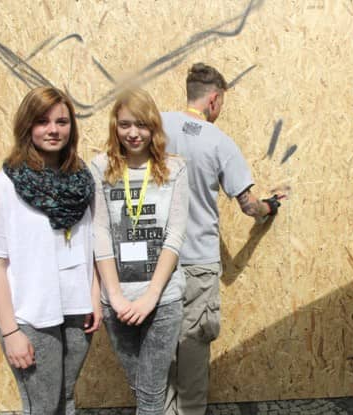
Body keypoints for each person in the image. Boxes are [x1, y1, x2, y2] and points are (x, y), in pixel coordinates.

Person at [162, 63, 285, 415]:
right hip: (197, 264)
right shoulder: (219, 142)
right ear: (214, 99)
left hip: (156, 265)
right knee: (193, 354)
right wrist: (270, 206)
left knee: (160, 353)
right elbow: (249, 206)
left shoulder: (156, 126)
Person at [0, 86, 101, 415]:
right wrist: (10, 331)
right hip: (31, 315)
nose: (53, 130)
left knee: (66, 399)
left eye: (62, 122)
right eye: (43, 121)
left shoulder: (82, 182)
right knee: (42, 407)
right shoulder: (4, 186)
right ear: (27, 125)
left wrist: (94, 296)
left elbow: (90, 245)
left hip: (77, 311)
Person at [91, 88, 188, 415]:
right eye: (125, 125)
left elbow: (175, 233)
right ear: (115, 126)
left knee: (149, 395)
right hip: (117, 303)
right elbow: (100, 231)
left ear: (154, 127)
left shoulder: (175, 169)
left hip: (162, 300)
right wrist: (115, 296)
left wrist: (151, 296)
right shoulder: (100, 167)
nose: (133, 133)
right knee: (143, 389)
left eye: (142, 125)